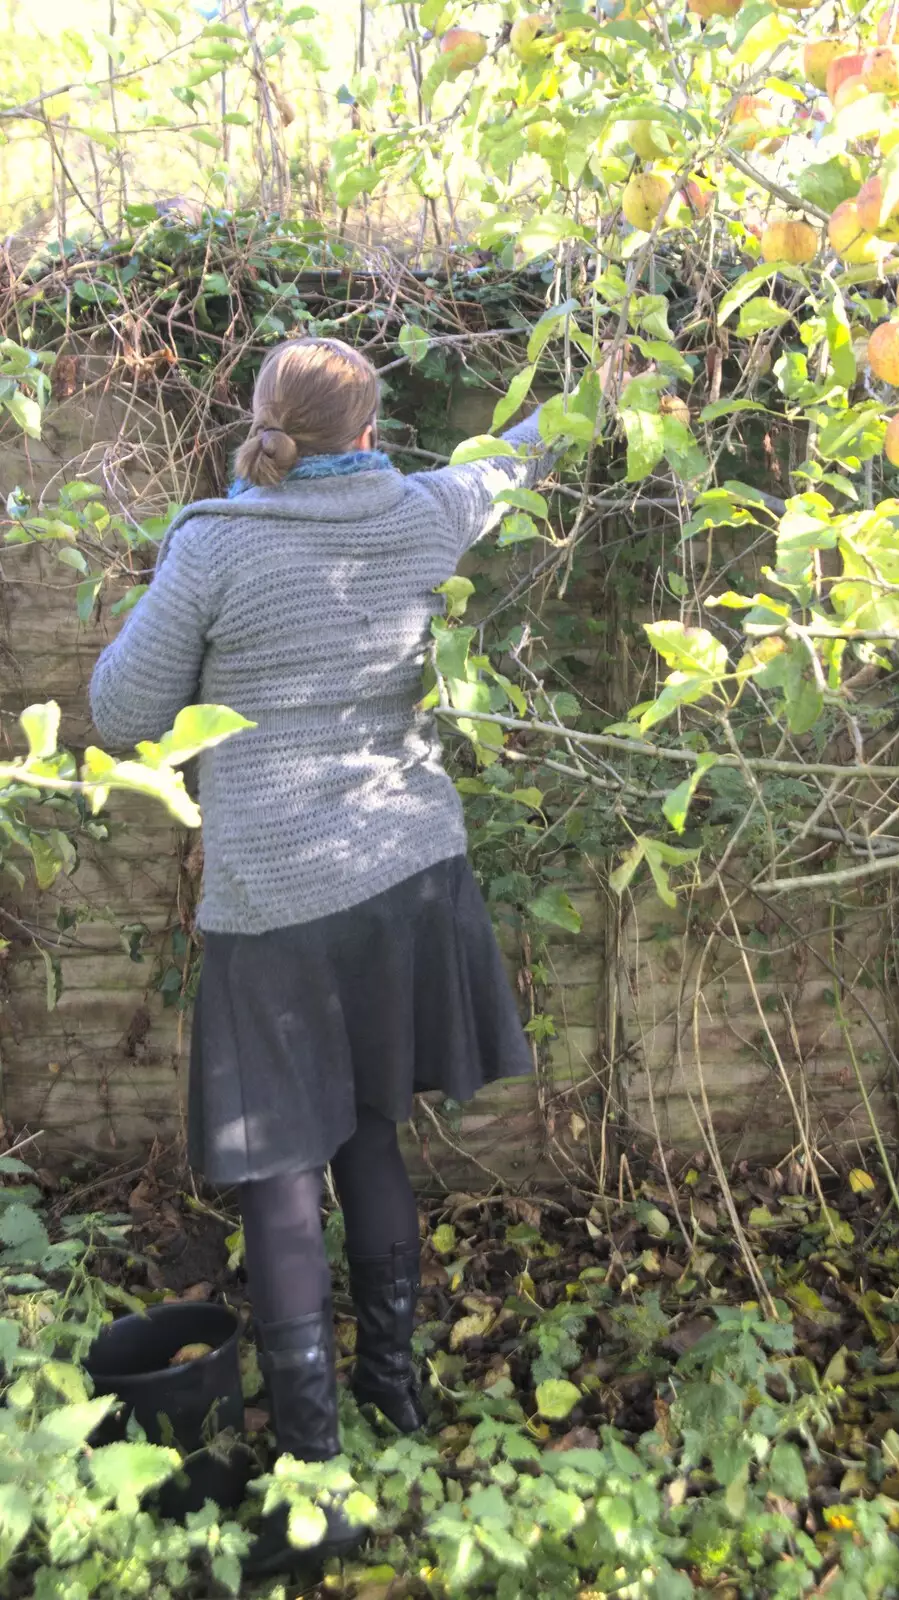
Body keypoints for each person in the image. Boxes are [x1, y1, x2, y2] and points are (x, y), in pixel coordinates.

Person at [89, 335, 558, 1573]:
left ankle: (313, 1463)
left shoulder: (216, 544)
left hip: (278, 902)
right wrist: (603, 392)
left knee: (284, 1173)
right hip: (404, 876)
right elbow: (508, 467)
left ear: (261, 422)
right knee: (371, 1133)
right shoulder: (419, 511)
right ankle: (398, 1395)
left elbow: (124, 712)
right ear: (366, 435)